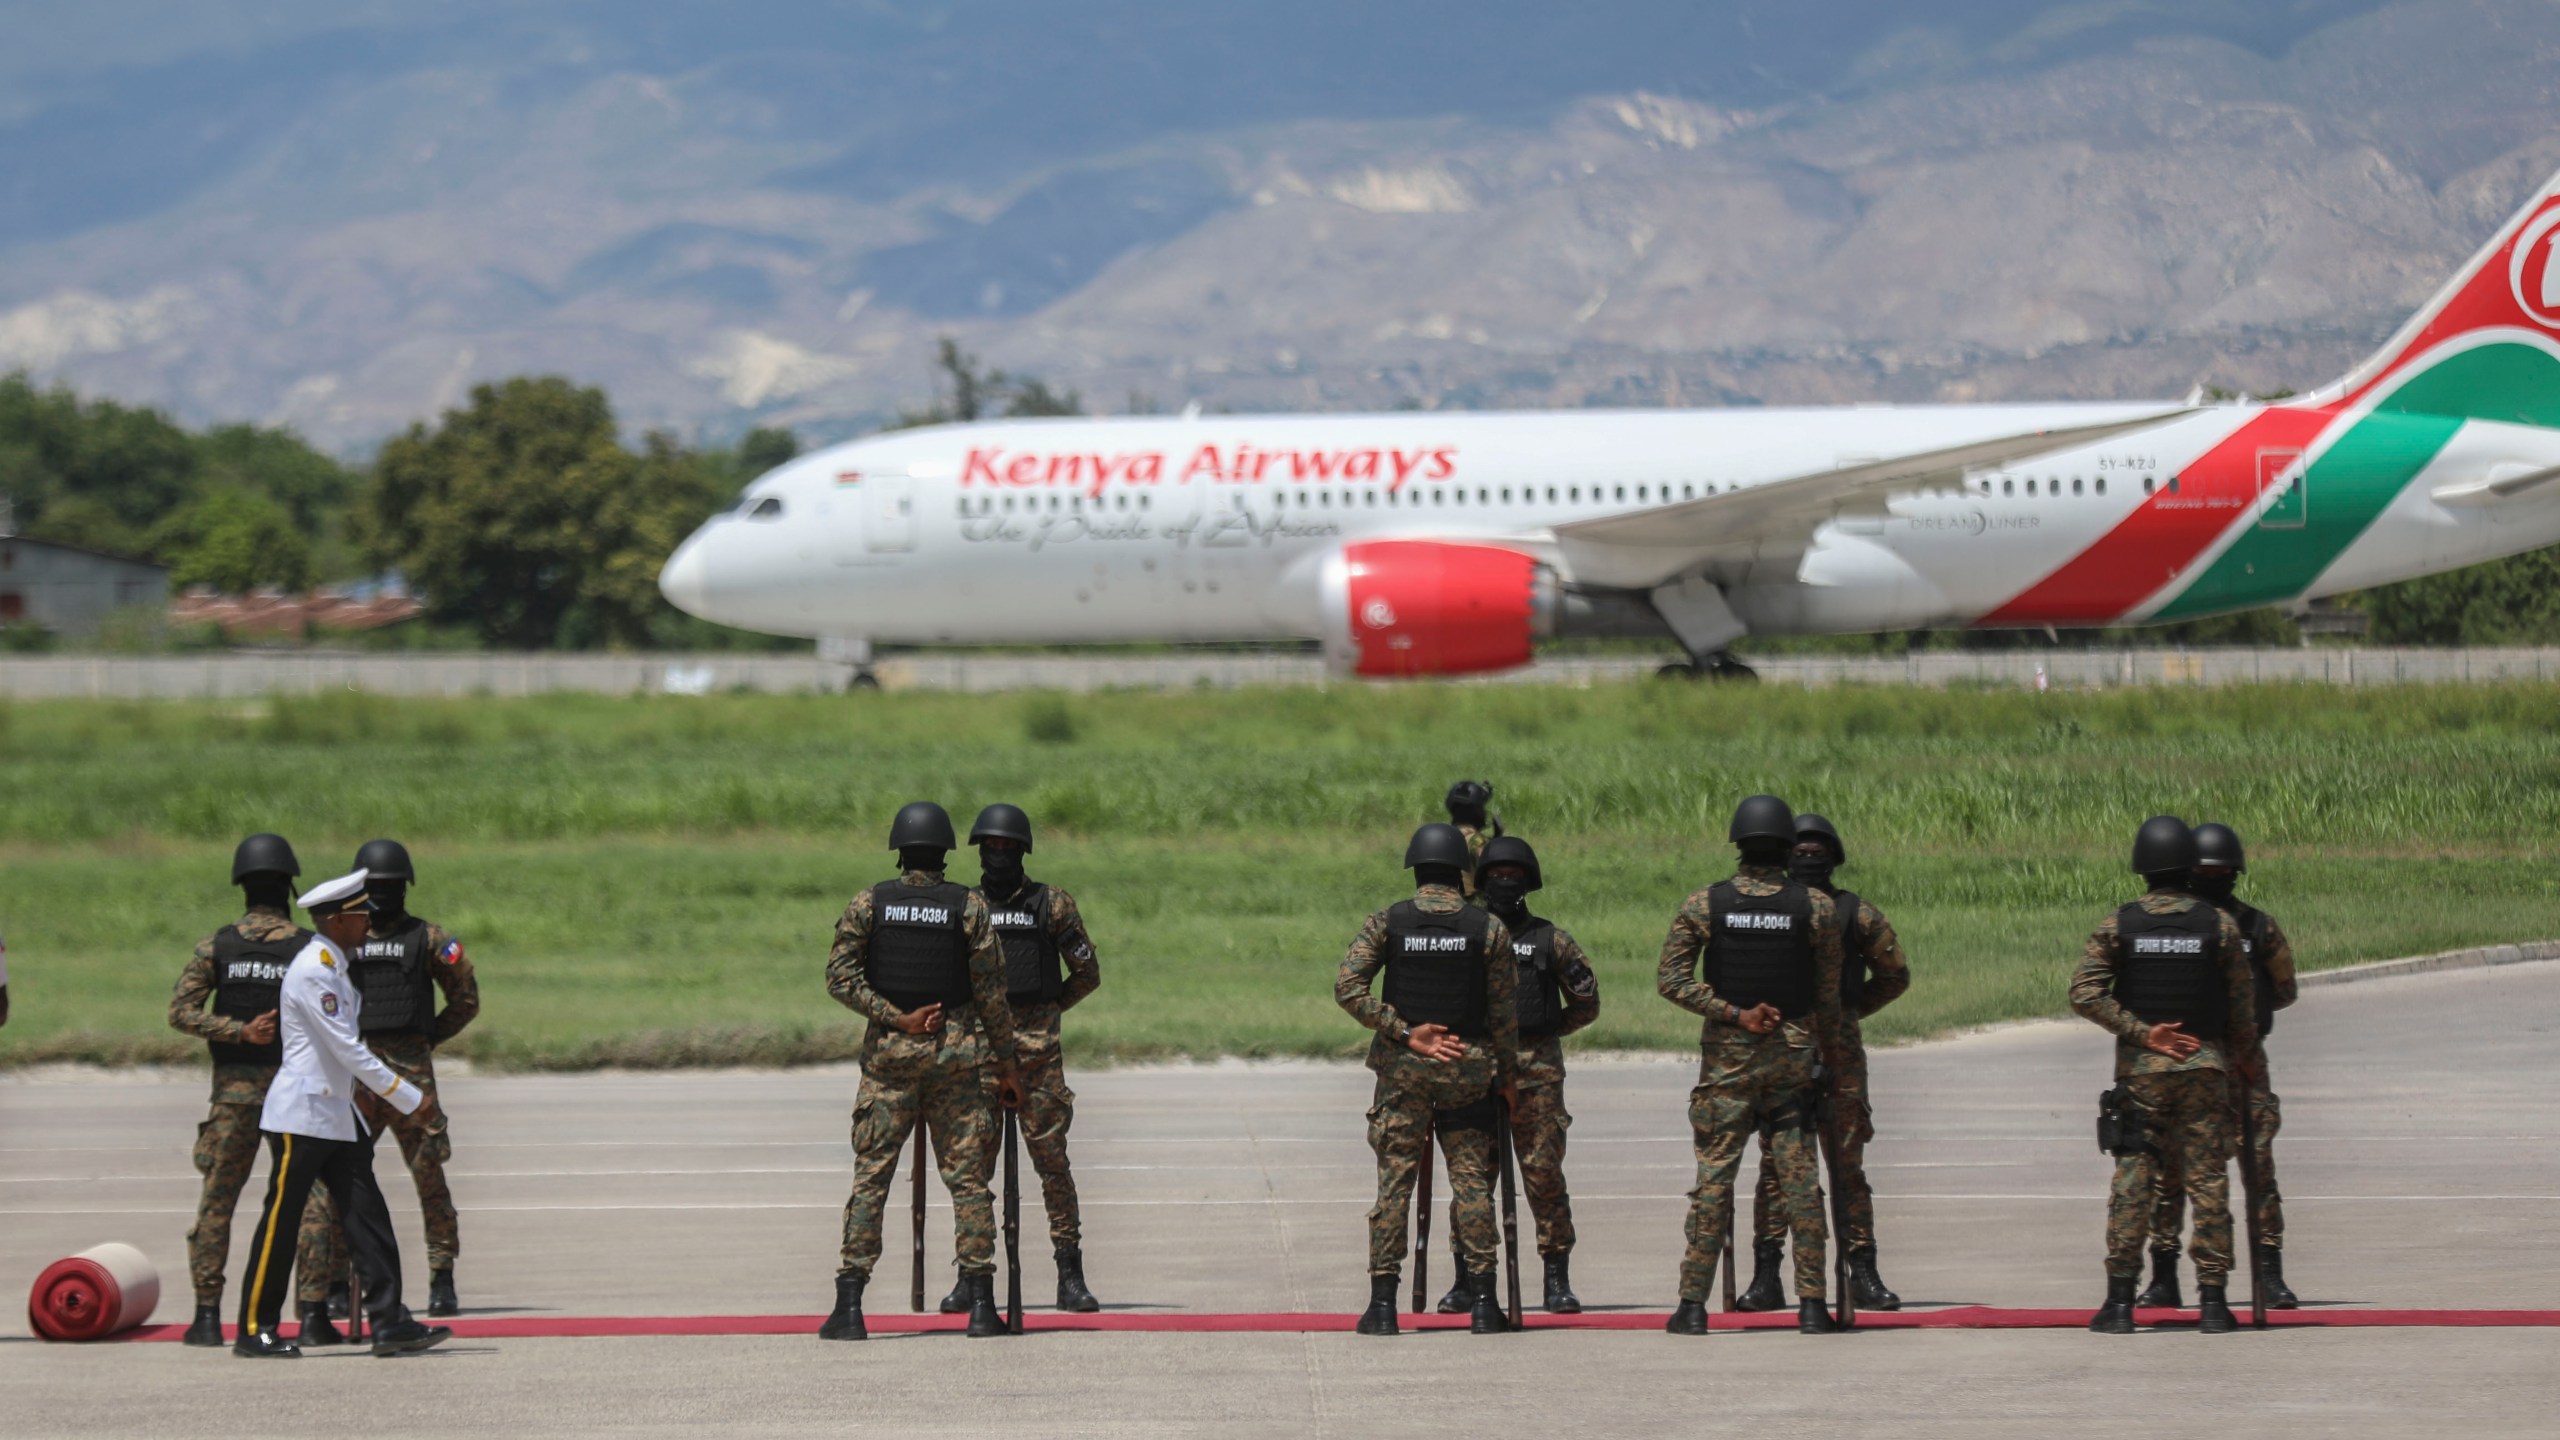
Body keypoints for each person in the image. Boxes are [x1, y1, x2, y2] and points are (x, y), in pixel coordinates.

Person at [819, 802, 1025, 1342]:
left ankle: (850, 1305)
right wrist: (1007, 1065)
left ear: (899, 850)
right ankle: (981, 1304)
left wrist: (896, 1017)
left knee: (872, 1179)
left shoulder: (871, 903)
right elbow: (991, 995)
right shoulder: (969, 907)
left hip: (890, 1064)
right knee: (968, 1183)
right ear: (944, 854)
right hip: (957, 1063)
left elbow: (839, 978)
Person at [231, 870, 450, 1358]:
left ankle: (390, 1322)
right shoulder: (314, 970)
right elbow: (347, 1049)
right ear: (335, 920)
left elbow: (341, 1055)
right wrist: (409, 1096)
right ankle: (255, 1329)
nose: (368, 921)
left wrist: (366, 1097)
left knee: (366, 1216)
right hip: (302, 1117)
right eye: (359, 914)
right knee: (281, 1223)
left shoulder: (335, 966)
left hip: (336, 1114)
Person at [1657, 794, 1850, 1336]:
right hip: (1791, 1059)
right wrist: (1829, 1061)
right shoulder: (1816, 908)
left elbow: (1670, 981)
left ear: (1738, 845)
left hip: (1728, 1067)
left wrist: (1733, 1013)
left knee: (1714, 1182)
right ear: (1788, 847)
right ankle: (1813, 1304)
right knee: (1800, 1184)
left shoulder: (1705, 904)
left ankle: (1692, 1306)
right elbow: (1827, 999)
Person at [2070, 815, 2260, 1336]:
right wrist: (2241, 1058)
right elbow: (2243, 1007)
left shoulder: (2121, 924)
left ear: (2142, 867)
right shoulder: (2218, 925)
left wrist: (2142, 1032)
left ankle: (2119, 1304)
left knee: (2134, 1181)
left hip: (2142, 1076)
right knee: (2207, 1181)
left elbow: (2084, 993)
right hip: (2205, 1069)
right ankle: (2215, 1303)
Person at [1336, 822, 1521, 1336]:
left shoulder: (1389, 922)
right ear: (1461, 873)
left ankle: (1382, 1306)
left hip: (1403, 1075)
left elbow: (1348, 987)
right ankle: (1484, 1302)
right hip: (1467, 1070)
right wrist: (1507, 1076)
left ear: (1416, 869)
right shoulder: (1489, 929)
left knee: (1394, 1187)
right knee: (1472, 1189)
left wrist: (1404, 1032)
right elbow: (1504, 1013)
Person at [167, 835, 340, 1347]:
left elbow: (180, 1014)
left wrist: (235, 1032)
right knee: (310, 1199)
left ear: (242, 887)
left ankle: (205, 1317)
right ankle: (311, 1315)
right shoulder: (310, 948)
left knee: (217, 1203)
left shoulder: (216, 946)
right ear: (289, 886)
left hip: (232, 1097)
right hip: (294, 1098)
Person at [1735, 812, 1912, 1312]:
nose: (1809, 858)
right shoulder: (1775, 909)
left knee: (1846, 1163)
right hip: (1780, 1049)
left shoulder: (1858, 914)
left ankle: (1864, 1271)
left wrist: (1848, 1012)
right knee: (1777, 1166)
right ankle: (1767, 1274)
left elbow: (1894, 976)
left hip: (1840, 1051)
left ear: (1835, 857)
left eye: (1819, 850)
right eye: (1800, 849)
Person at [299, 838, 479, 1320]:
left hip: (406, 1075)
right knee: (341, 1180)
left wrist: (424, 1039)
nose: (384, 896)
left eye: (391, 887)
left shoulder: (429, 938)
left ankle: (442, 1277)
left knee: (429, 1177)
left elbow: (465, 997)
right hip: (358, 1074)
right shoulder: (341, 945)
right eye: (377, 888)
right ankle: (336, 1282)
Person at [941, 802, 1104, 1314]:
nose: (1000, 854)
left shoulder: (1051, 905)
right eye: (992, 846)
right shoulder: (966, 906)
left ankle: (1069, 1273)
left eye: (1008, 846)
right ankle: (973, 1274)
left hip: (1039, 1057)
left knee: (1052, 1165)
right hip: (979, 1057)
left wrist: (1049, 1009)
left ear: (1023, 850)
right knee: (973, 1169)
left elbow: (1086, 972)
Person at [2136, 821, 2299, 1310]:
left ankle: (2269, 1273)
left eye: (2225, 870)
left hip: (2243, 1063)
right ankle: (2163, 1275)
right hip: (2184, 1059)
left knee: (2257, 1167)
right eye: (2208, 869)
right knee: (2170, 1172)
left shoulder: (2257, 927)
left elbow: (2285, 989)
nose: (2217, 876)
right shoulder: (2181, 926)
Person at [1473, 835, 1599, 1314]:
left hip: (1538, 1073)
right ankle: (1468, 1276)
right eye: (1497, 876)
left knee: (1543, 1173)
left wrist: (1545, 1031)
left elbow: (1587, 1002)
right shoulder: (1469, 934)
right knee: (1474, 1179)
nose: (1506, 883)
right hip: (1479, 1070)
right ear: (1482, 882)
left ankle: (1556, 1277)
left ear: (1529, 882)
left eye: (1515, 876)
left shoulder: (1551, 939)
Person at [1444, 780, 1501, 902]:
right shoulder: (1477, 841)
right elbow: (1496, 876)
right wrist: (1498, 845)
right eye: (1482, 808)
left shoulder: (1441, 837)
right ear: (1476, 811)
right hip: (1473, 912)